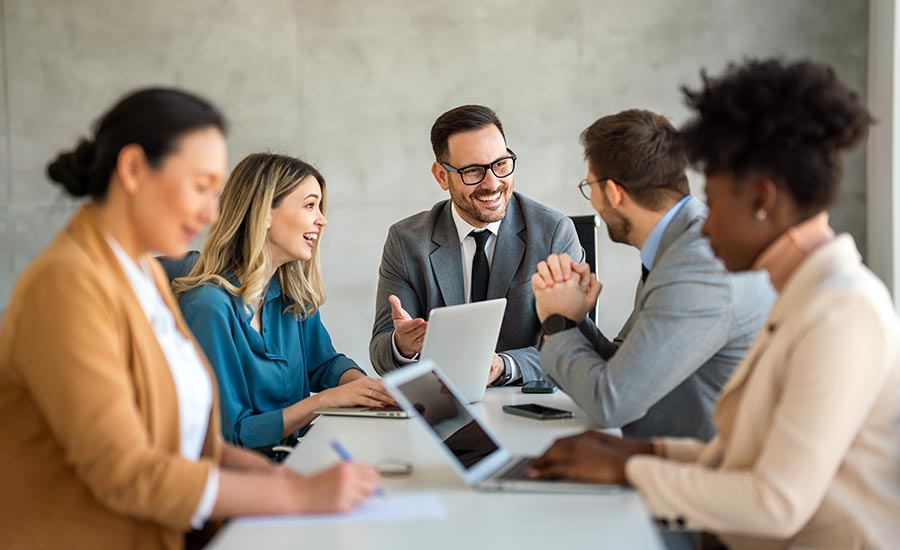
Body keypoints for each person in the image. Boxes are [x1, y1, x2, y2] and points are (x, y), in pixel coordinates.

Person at [529, 59, 900, 549]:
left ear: (761, 200)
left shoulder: (843, 311)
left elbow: (775, 502)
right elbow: (748, 454)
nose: (703, 224)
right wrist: (640, 453)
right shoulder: (810, 296)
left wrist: (629, 468)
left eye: (716, 198)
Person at [0, 89, 380, 550]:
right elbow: (125, 471)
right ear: (134, 169)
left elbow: (173, 433)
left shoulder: (144, 276)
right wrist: (296, 494)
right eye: (200, 186)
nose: (212, 213)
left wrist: (261, 471)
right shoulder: (67, 284)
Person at [532, 109, 774, 442]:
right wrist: (572, 317)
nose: (593, 200)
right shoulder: (680, 244)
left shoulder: (696, 267)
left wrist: (556, 324)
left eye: (590, 186)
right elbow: (625, 366)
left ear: (613, 193)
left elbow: (610, 402)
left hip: (702, 462)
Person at [175, 153, 396, 450]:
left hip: (297, 456)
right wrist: (323, 401)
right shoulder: (208, 308)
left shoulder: (292, 297)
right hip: (247, 472)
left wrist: (369, 391)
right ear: (264, 213)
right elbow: (232, 436)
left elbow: (324, 364)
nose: (322, 220)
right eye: (310, 205)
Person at [370, 104, 583, 385]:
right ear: (441, 176)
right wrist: (403, 346)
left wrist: (504, 366)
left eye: (501, 164)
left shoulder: (553, 233)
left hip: (522, 399)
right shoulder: (406, 241)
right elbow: (381, 352)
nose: (492, 184)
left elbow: (572, 346)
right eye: (472, 171)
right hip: (443, 403)